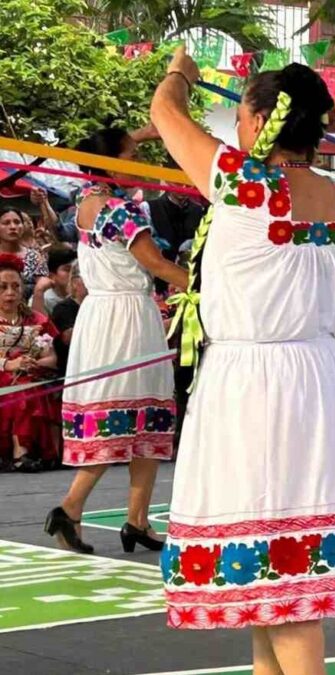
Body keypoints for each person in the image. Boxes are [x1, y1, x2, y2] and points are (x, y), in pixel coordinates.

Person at [151, 51, 335, 670]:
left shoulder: (242, 184)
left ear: (257, 119)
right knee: (272, 581)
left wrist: (181, 72)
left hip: (253, 386)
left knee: (283, 579)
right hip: (320, 381)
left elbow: (164, 111)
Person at [42, 122, 187, 557]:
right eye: (132, 158)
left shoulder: (86, 201)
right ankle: (69, 508)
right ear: (111, 164)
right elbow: (157, 264)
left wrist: (150, 131)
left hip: (111, 315)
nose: (139, 165)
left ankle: (137, 520)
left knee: (146, 419)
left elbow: (113, 148)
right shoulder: (119, 212)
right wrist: (205, 287)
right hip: (125, 320)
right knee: (121, 419)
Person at [0, 254, 60, 472]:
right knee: (17, 385)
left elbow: (52, 358)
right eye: (3, 287)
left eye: (15, 286)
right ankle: (19, 451)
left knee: (28, 384)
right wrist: (10, 364)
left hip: (30, 375)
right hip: (6, 375)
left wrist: (36, 362)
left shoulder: (35, 320)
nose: (10, 293)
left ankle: (24, 450)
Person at [49, 259, 86, 376]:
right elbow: (68, 339)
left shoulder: (102, 308)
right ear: (75, 282)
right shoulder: (63, 308)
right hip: (71, 369)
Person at [0, 208, 48, 297]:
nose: (13, 227)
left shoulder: (35, 257)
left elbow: (43, 286)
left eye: (17, 222)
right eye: (6, 223)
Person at [33, 248, 77, 315]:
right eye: (67, 270)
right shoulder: (42, 299)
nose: (73, 273)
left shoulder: (84, 294)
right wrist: (39, 292)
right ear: (51, 276)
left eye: (76, 270)